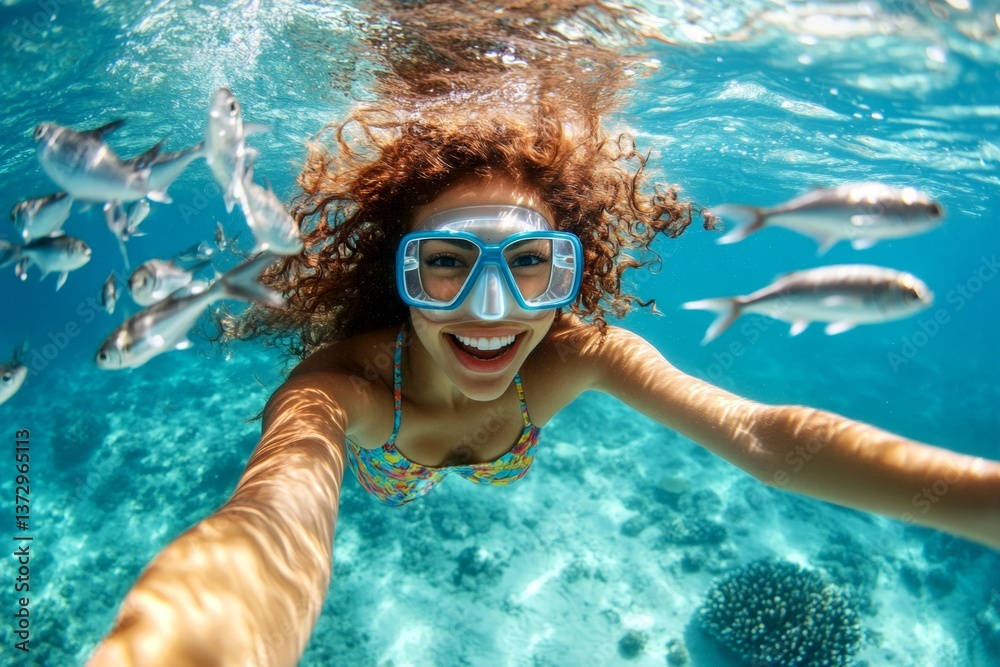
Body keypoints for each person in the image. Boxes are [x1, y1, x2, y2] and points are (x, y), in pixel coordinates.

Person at [87, 5, 999, 666]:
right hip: (390, 469)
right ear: (393, 274)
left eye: (532, 265)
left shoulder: (579, 352)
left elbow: (763, 437)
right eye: (444, 263)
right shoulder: (342, 389)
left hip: (465, 449)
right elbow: (270, 518)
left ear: (576, 273)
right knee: (389, 488)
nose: (490, 310)